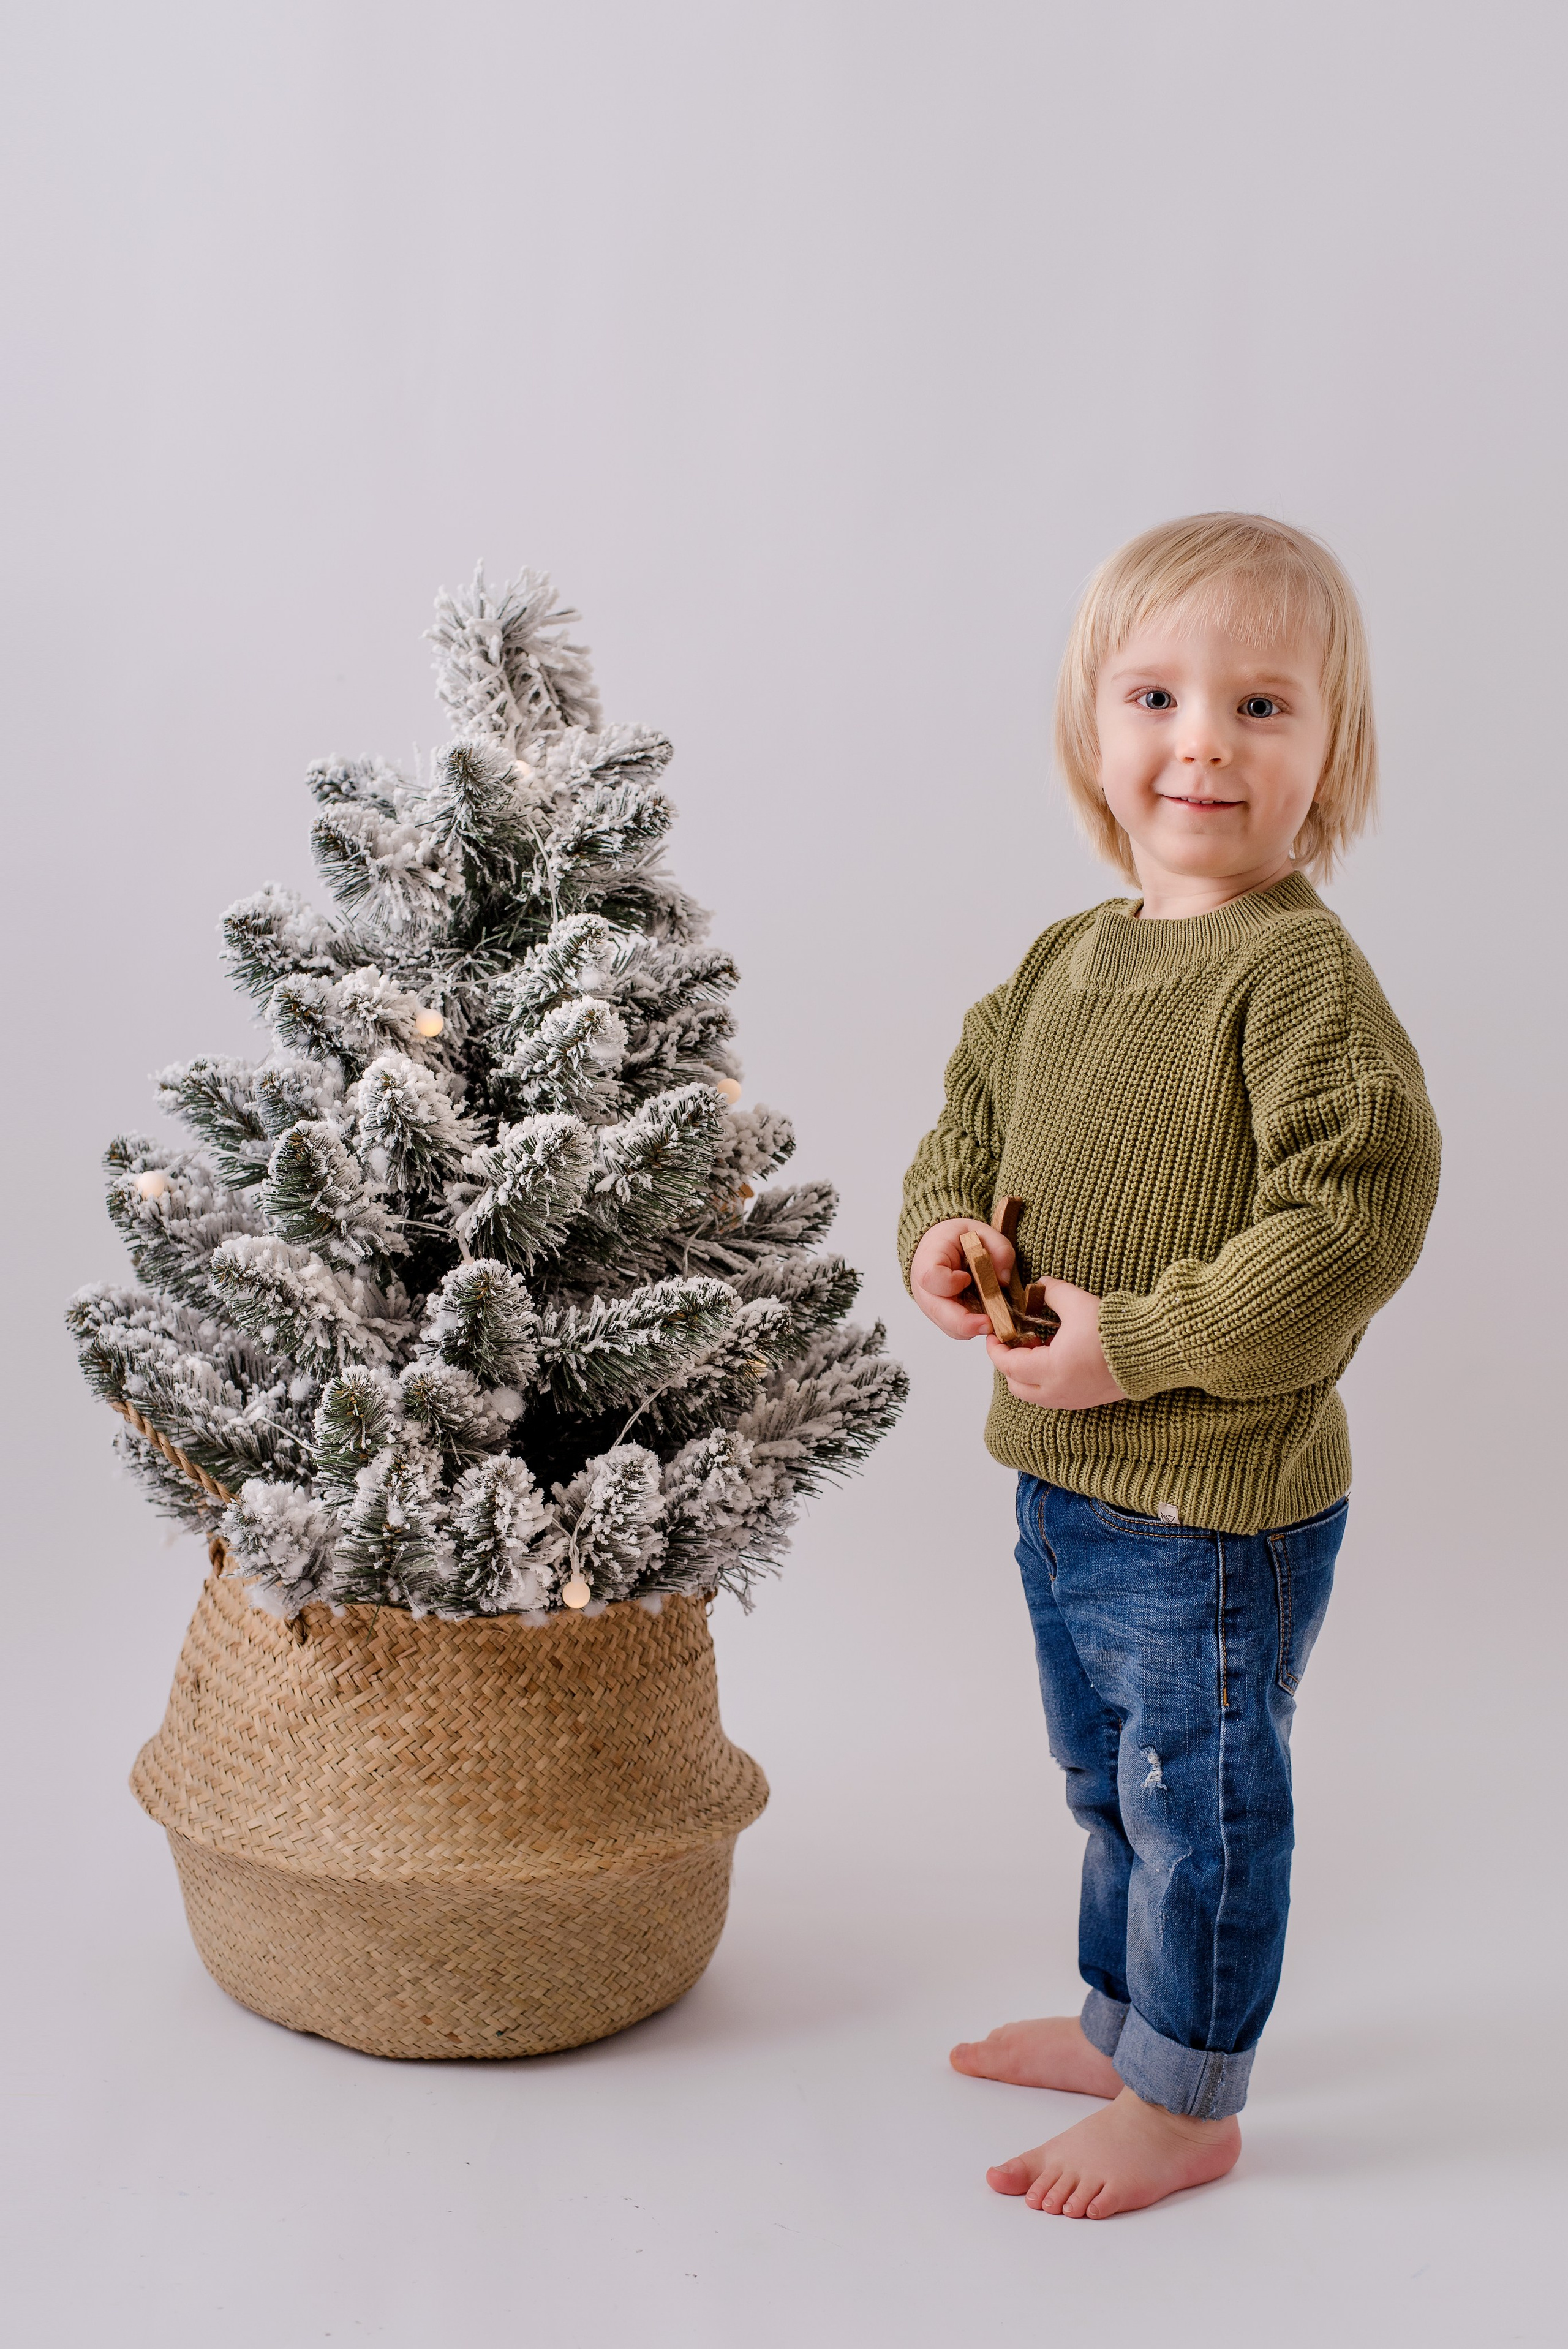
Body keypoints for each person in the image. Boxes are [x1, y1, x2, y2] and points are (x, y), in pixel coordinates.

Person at [899, 513, 1441, 2219]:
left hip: (1212, 1506)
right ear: (1094, 732)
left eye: (1261, 705)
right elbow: (968, 1116)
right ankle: (1122, 2025)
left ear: (1331, 753)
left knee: (1196, 1799)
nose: (1203, 740)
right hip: (1062, 1485)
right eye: (1157, 696)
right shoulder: (1068, 958)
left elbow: (1351, 1218)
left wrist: (1135, 1342)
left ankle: (1188, 2099)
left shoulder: (1300, 979)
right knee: (1107, 1785)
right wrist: (941, 1232)